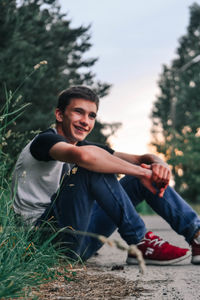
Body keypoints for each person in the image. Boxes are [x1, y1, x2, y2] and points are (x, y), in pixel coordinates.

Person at [12, 86, 200, 265]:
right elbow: (86, 157)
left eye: (91, 115)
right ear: (60, 114)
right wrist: (143, 172)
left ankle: (196, 235)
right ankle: (140, 241)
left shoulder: (82, 145)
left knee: (133, 177)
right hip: (44, 241)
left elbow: (141, 159)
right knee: (90, 167)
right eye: (79, 112)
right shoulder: (44, 141)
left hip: (82, 238)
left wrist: (159, 164)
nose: (86, 121)